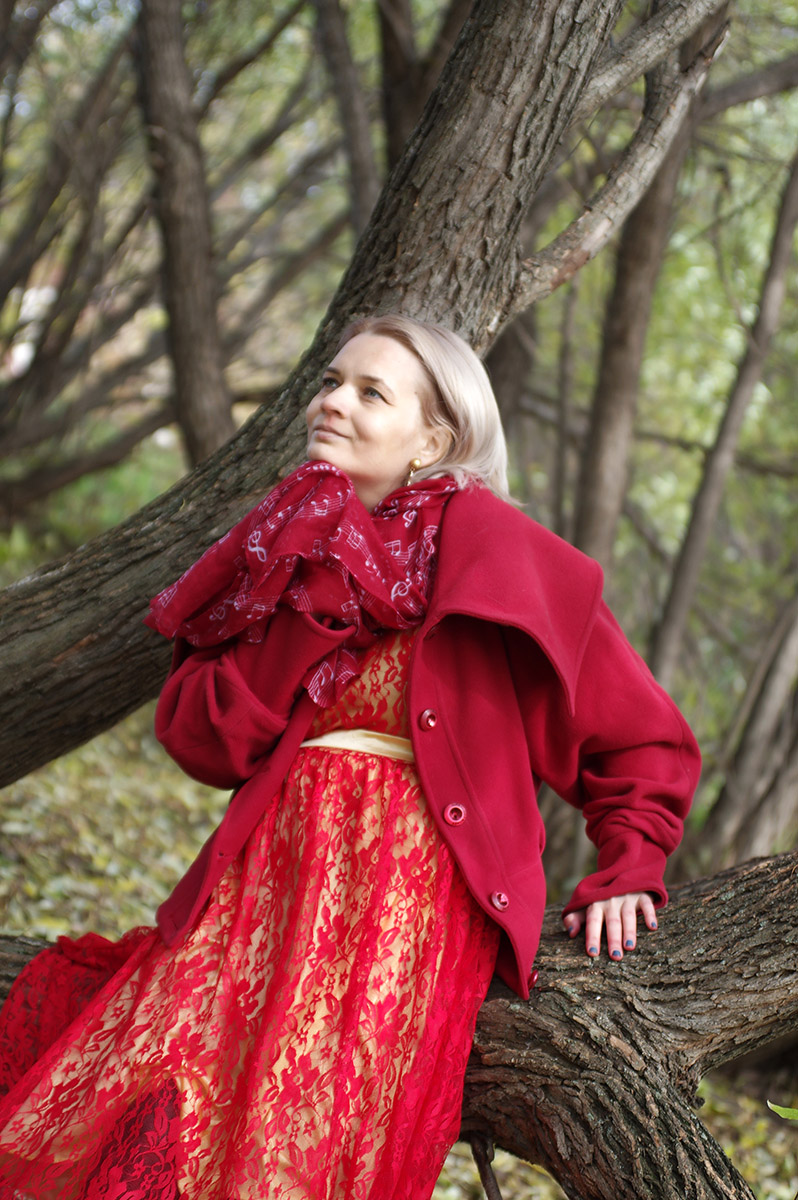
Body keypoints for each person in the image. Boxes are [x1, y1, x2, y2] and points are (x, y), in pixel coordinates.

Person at [0, 314, 700, 1199]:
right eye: (331, 382)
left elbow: (641, 738)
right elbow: (203, 740)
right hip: (259, 890)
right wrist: (311, 602)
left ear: (433, 439)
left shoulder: (510, 557)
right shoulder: (280, 546)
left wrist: (632, 864)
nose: (331, 402)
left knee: (299, 1155)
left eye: (371, 392)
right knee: (160, 1115)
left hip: (403, 909)